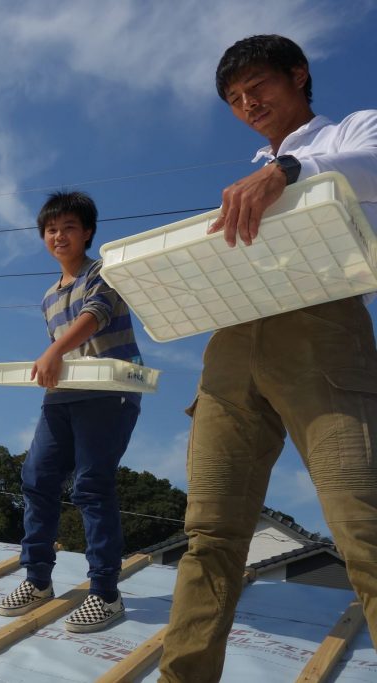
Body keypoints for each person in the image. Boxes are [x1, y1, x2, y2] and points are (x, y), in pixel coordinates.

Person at [158, 35, 377, 681]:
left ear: (299, 75)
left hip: (323, 329)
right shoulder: (248, 172)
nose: (248, 102)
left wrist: (288, 171)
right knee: (211, 537)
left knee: (363, 524)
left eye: (259, 85)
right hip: (231, 341)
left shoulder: (351, 132)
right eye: (234, 97)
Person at [0, 190, 142, 634]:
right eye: (51, 229)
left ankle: (105, 593)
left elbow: (95, 315)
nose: (59, 235)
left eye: (69, 227)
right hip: (62, 396)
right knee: (36, 479)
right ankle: (38, 580)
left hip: (109, 391)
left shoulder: (105, 272)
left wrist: (54, 348)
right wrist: (53, 356)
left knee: (92, 485)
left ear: (88, 233)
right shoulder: (47, 297)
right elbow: (59, 356)